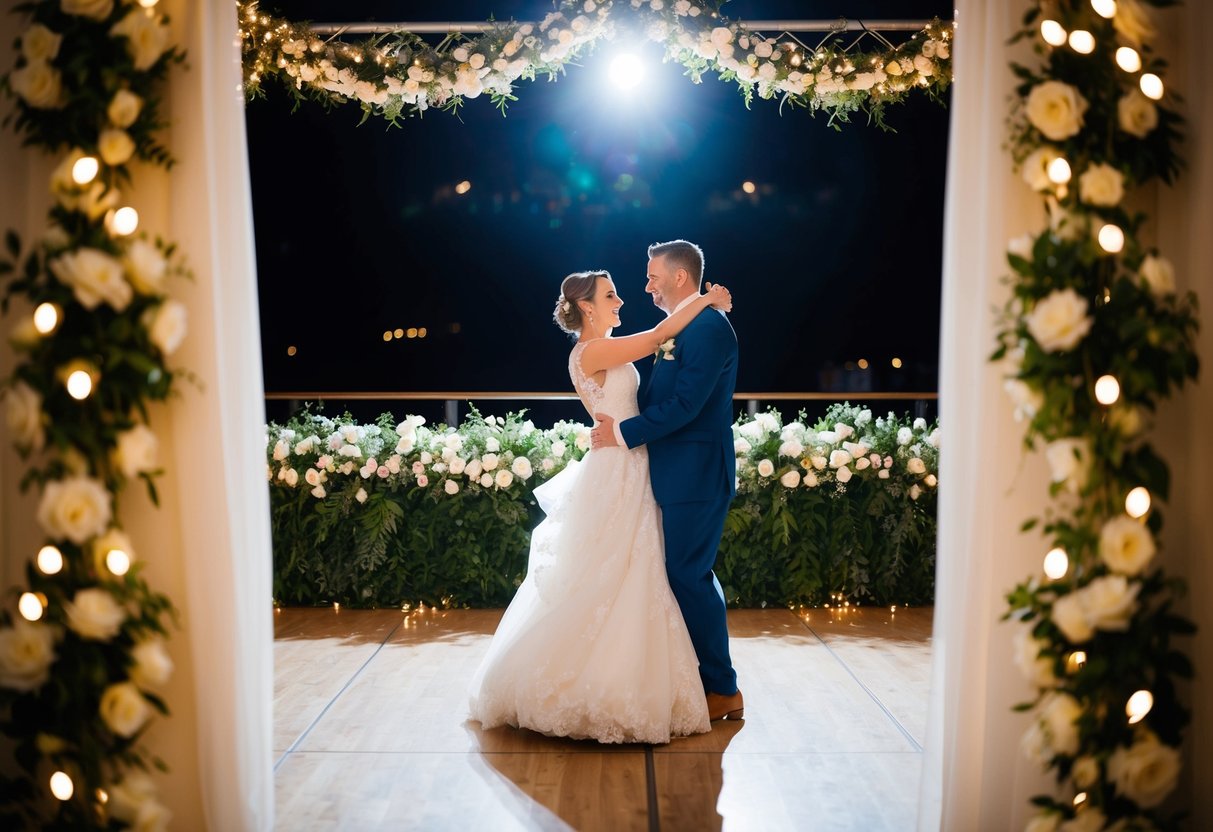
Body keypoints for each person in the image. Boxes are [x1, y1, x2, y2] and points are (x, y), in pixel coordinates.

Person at [467, 268, 732, 744]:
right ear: (586, 306)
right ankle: (604, 682)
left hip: (628, 461)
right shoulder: (594, 351)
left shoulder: (597, 349)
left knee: (633, 570)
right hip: (618, 468)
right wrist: (708, 299)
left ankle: (644, 677)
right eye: (610, 296)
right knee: (615, 570)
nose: (621, 301)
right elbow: (658, 335)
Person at [590, 240, 743, 723]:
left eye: (653, 276)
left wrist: (623, 434)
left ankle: (723, 687)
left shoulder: (709, 329)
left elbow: (686, 407)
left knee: (689, 576)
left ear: (680, 277)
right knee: (683, 575)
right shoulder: (689, 325)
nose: (647, 285)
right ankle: (700, 678)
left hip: (696, 473)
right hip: (672, 472)